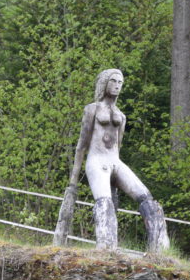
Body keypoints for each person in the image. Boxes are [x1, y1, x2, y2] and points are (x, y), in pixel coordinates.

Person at [53, 68, 169, 252]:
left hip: (114, 161)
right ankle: (106, 248)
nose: (117, 86)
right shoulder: (92, 109)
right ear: (104, 83)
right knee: (104, 204)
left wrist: (115, 180)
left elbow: (118, 146)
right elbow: (82, 145)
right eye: (113, 81)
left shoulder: (121, 116)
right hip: (96, 161)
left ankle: (160, 251)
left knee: (149, 201)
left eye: (120, 82)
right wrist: (73, 181)